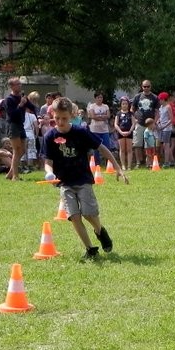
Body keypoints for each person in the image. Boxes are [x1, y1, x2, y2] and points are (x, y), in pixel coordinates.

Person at [42, 97, 128, 260]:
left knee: (89, 214)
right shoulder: (49, 136)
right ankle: (90, 249)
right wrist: (49, 172)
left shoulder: (80, 132)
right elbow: (48, 161)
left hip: (82, 180)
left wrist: (117, 168)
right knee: (74, 216)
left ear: (71, 115)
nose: (60, 122)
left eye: (64, 118)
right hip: (64, 183)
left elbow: (102, 148)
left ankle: (100, 231)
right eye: (57, 118)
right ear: (53, 114)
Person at [4, 77, 36, 180]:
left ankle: (10, 173)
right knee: (17, 150)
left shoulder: (22, 97)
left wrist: (28, 102)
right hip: (13, 125)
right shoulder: (9, 100)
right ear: (11, 86)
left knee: (22, 150)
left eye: (20, 84)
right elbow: (12, 115)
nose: (20, 86)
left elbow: (32, 107)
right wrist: (21, 104)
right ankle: (15, 176)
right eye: (17, 84)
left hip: (21, 125)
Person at [131, 80, 159, 168]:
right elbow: (132, 109)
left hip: (150, 124)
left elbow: (157, 112)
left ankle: (151, 162)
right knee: (137, 144)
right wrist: (135, 119)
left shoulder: (155, 97)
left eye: (148, 86)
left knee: (151, 144)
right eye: (144, 86)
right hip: (139, 123)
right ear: (142, 87)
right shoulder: (137, 96)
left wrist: (154, 122)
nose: (146, 88)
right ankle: (138, 162)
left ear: (151, 86)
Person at [87, 91, 111, 166]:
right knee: (96, 147)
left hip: (104, 130)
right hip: (95, 130)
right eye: (98, 97)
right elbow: (92, 116)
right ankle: (97, 164)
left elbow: (108, 116)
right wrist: (102, 116)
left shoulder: (105, 106)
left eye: (101, 97)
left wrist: (98, 116)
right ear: (95, 98)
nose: (100, 99)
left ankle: (108, 163)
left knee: (107, 146)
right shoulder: (92, 106)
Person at [114, 96, 135, 171]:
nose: (124, 105)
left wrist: (130, 131)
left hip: (129, 133)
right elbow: (116, 124)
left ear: (128, 105)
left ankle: (129, 166)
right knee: (122, 149)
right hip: (121, 133)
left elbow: (133, 123)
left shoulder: (131, 113)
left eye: (126, 104)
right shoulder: (118, 113)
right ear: (121, 105)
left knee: (129, 149)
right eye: (123, 104)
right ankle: (123, 165)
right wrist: (121, 132)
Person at [156, 92, 174, 166]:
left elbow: (171, 119)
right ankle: (172, 161)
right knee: (165, 145)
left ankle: (166, 162)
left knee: (166, 145)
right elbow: (160, 117)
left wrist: (164, 126)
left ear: (163, 99)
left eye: (160, 99)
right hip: (161, 128)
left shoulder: (168, 107)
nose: (159, 101)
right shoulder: (161, 107)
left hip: (167, 129)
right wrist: (157, 122)